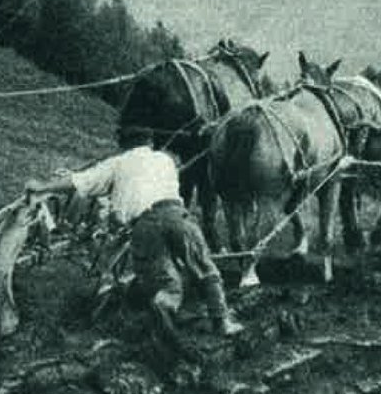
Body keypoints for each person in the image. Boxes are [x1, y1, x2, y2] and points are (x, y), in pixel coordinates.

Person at [24, 126, 245, 340]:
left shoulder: (117, 163)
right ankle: (222, 321)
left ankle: (164, 310)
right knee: (204, 267)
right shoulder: (164, 160)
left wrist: (42, 187)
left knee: (165, 282)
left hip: (144, 226)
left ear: (124, 145)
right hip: (176, 215)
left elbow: (78, 182)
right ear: (149, 143)